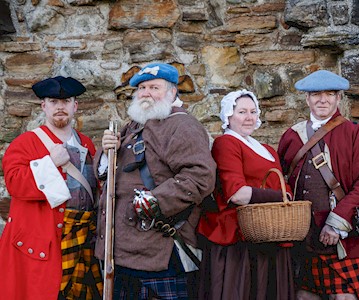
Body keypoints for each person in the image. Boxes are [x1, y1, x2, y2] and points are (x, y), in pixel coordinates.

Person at [95, 62, 216, 300]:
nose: (146, 93)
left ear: (172, 92)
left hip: (161, 249)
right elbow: (109, 175)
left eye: (154, 87)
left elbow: (199, 176)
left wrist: (153, 201)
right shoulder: (133, 126)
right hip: (124, 250)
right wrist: (107, 152)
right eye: (141, 88)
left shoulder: (182, 125)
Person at [278, 70, 359, 300]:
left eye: (330, 94)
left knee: (344, 297)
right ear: (307, 99)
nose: (323, 100)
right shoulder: (292, 136)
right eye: (316, 94)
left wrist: (337, 222)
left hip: (342, 236)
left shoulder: (354, 134)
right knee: (303, 296)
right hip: (303, 238)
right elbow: (280, 179)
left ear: (338, 98)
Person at [0, 76, 103, 299]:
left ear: (75, 106)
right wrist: (50, 163)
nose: (60, 107)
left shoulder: (86, 143)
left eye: (66, 102)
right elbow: (14, 184)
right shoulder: (25, 143)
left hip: (82, 238)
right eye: (54, 102)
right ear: (43, 106)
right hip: (43, 242)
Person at [197, 89, 295, 300]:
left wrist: (281, 195)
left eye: (253, 111)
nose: (249, 117)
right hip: (239, 238)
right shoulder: (227, 143)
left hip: (271, 231)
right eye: (242, 112)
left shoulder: (267, 149)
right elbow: (237, 194)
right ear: (228, 116)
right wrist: (279, 197)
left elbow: (284, 187)